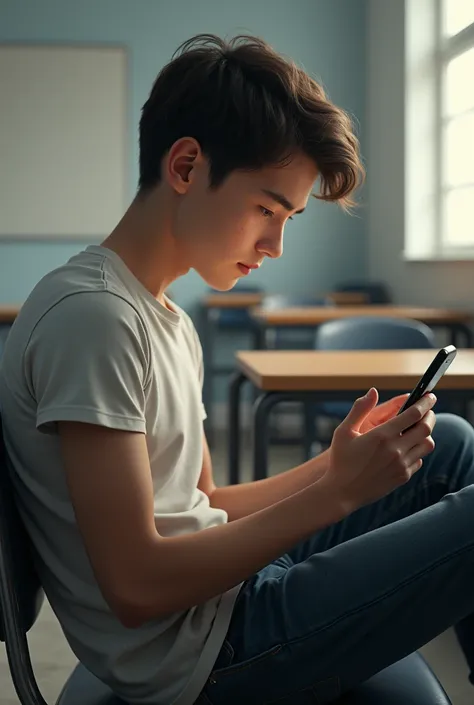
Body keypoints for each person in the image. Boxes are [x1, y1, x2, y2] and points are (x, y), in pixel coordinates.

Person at [1, 33, 474, 705]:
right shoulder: (94, 319)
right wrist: (336, 494)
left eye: (288, 219)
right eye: (265, 209)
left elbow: (206, 507)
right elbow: (135, 586)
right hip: (208, 656)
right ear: (187, 166)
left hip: (231, 600)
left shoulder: (160, 315)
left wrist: (339, 467)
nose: (276, 245)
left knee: (445, 444)